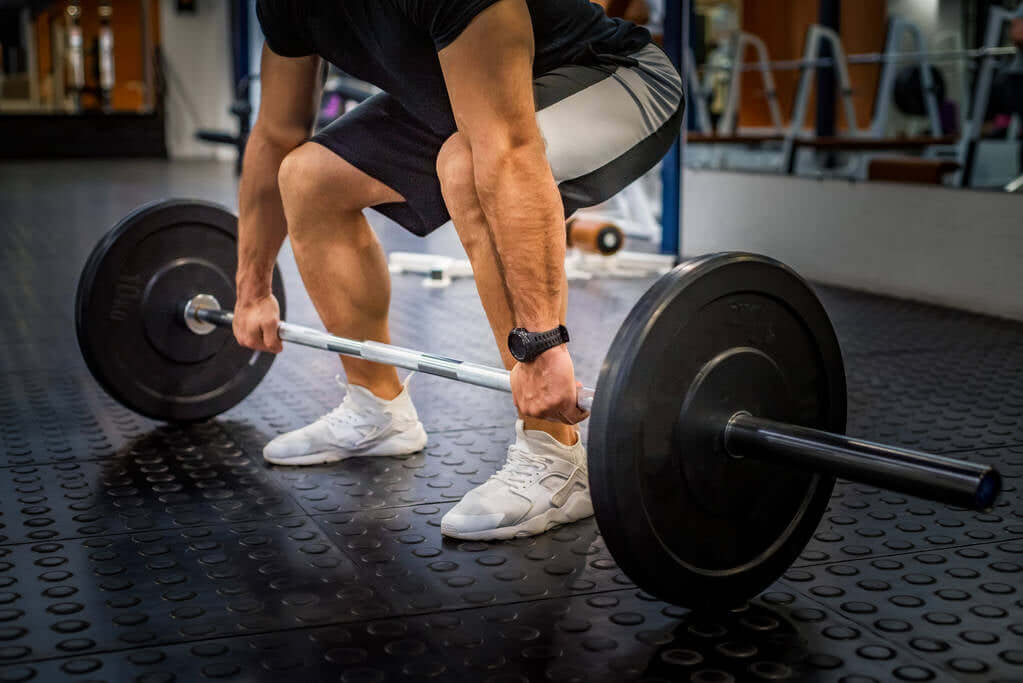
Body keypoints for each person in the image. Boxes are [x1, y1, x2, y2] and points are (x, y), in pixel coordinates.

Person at [234, 0, 684, 541]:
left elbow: (509, 147)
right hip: (465, 98)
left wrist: (541, 345)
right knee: (308, 178)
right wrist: (252, 286)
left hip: (616, 78)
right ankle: (378, 408)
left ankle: (555, 455)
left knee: (467, 165)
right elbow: (276, 133)